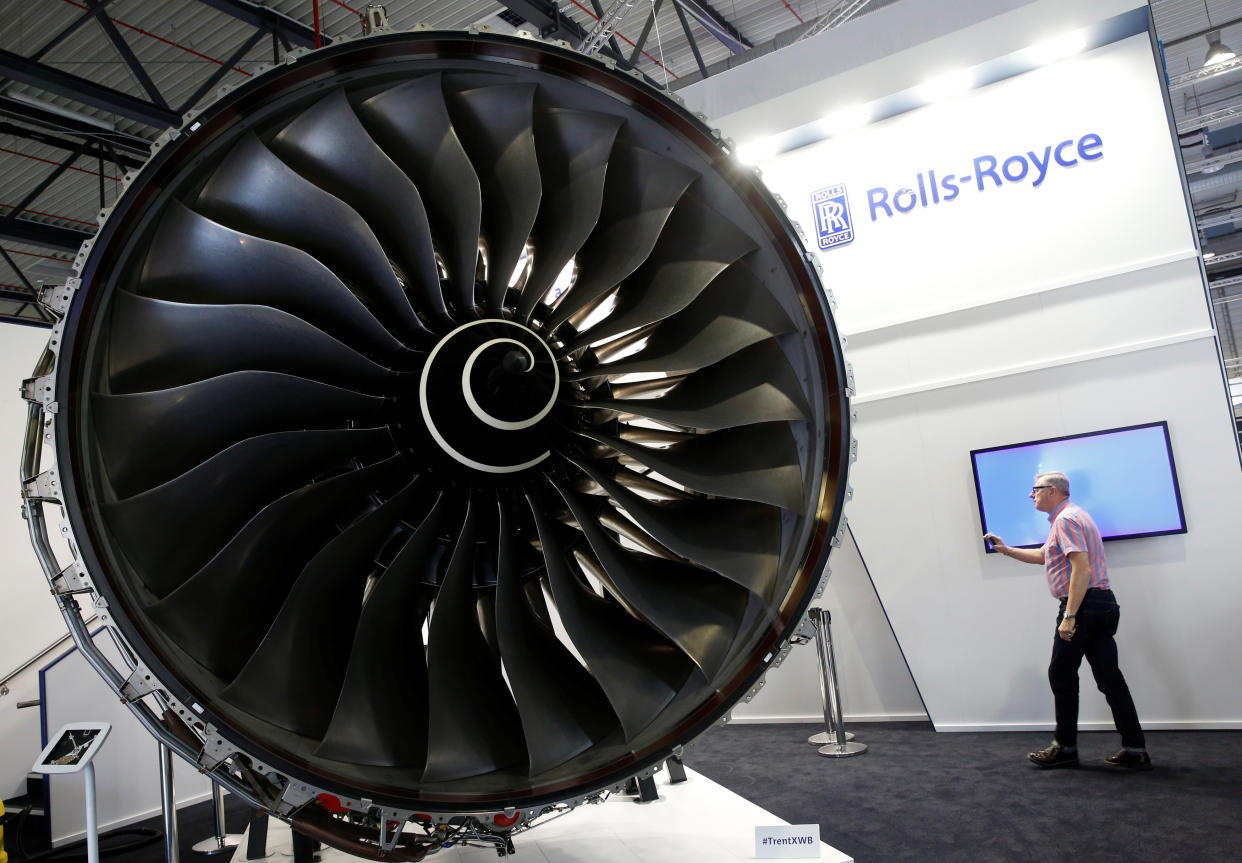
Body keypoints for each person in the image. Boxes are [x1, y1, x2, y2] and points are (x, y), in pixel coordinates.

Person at [984, 471, 1151, 770]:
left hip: (1083, 607)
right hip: (1101, 605)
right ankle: (1135, 749)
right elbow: (1045, 556)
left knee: (1061, 675)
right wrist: (1006, 550)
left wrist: (1070, 616)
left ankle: (1065, 747)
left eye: (1035, 489)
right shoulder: (1072, 517)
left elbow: (1081, 569)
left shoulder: (1066, 520)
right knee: (1110, 679)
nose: (1030, 495)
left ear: (1053, 491)